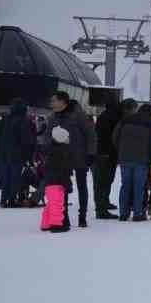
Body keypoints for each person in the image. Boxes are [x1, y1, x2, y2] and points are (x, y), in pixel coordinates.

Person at [49, 91, 96, 229]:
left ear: (63, 102)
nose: (51, 103)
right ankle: (64, 217)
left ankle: (82, 216)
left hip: (80, 156)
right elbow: (47, 136)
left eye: (54, 100)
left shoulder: (78, 115)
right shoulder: (52, 117)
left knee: (82, 186)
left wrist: (90, 153)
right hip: (61, 157)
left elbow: (91, 135)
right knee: (62, 187)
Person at [113, 100, 151, 222]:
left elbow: (115, 137)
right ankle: (137, 214)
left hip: (125, 158)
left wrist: (121, 150)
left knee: (125, 185)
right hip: (142, 160)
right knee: (139, 187)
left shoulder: (125, 120)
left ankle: (123, 213)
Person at [40, 125, 73, 233]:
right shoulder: (61, 152)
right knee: (57, 204)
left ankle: (45, 224)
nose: (68, 139)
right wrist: (67, 184)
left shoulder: (51, 150)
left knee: (51, 204)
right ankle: (56, 225)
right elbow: (64, 171)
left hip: (49, 182)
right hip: (58, 182)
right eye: (67, 137)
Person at [93, 95, 122, 217]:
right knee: (105, 181)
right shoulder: (115, 117)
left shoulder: (103, 116)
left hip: (100, 151)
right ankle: (102, 209)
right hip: (110, 153)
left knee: (101, 181)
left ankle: (103, 204)